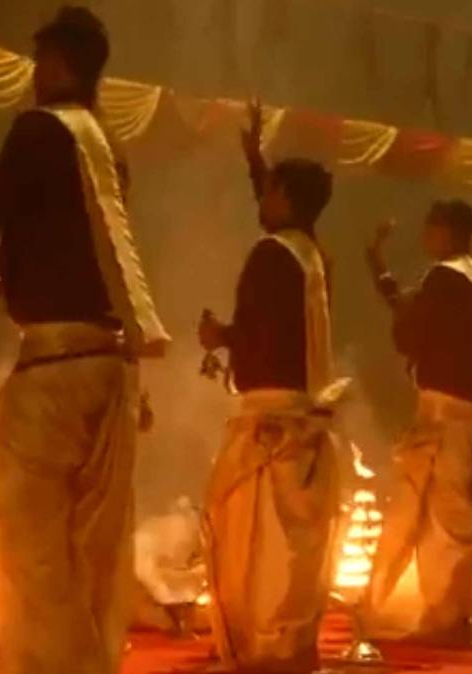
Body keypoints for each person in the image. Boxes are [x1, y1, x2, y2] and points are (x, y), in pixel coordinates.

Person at [0, 7, 170, 673]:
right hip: (112, 367)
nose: (32, 75)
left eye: (39, 60)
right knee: (95, 544)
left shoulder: (39, 129)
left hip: (53, 367)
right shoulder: (108, 146)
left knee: (30, 539)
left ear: (59, 65)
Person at [196, 101, 343, 671]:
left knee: (253, 547)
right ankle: (287, 650)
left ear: (287, 199)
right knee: (294, 558)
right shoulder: (315, 257)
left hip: (268, 426)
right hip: (307, 424)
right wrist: (257, 161)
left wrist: (219, 336)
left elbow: (259, 337)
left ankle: (259, 652)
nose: (262, 200)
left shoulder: (269, 254)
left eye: (270, 191)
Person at [361, 201, 472, 644]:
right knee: (449, 516)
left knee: (443, 520)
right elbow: (413, 310)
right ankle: (442, 612)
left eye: (430, 230)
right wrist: (379, 268)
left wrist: (401, 318)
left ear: (447, 232)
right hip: (462, 417)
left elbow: (412, 329)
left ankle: (441, 618)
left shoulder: (448, 275)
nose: (425, 238)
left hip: (445, 418)